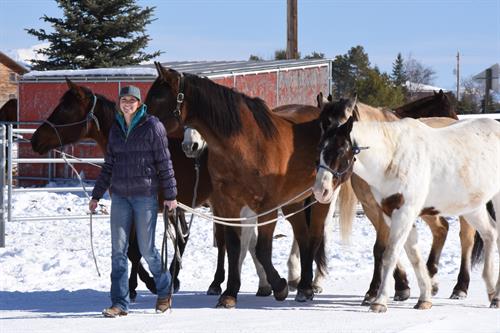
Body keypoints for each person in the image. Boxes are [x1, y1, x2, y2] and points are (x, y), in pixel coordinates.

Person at [89, 85, 177, 317]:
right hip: (119, 196)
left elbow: (164, 163)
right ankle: (120, 303)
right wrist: (96, 194)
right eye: (123, 99)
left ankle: (164, 290)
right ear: (119, 103)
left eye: (132, 100)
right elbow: (109, 165)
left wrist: (170, 196)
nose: (127, 103)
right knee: (118, 251)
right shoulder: (116, 129)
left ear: (139, 103)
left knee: (148, 250)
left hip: (145, 197)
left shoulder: (152, 126)